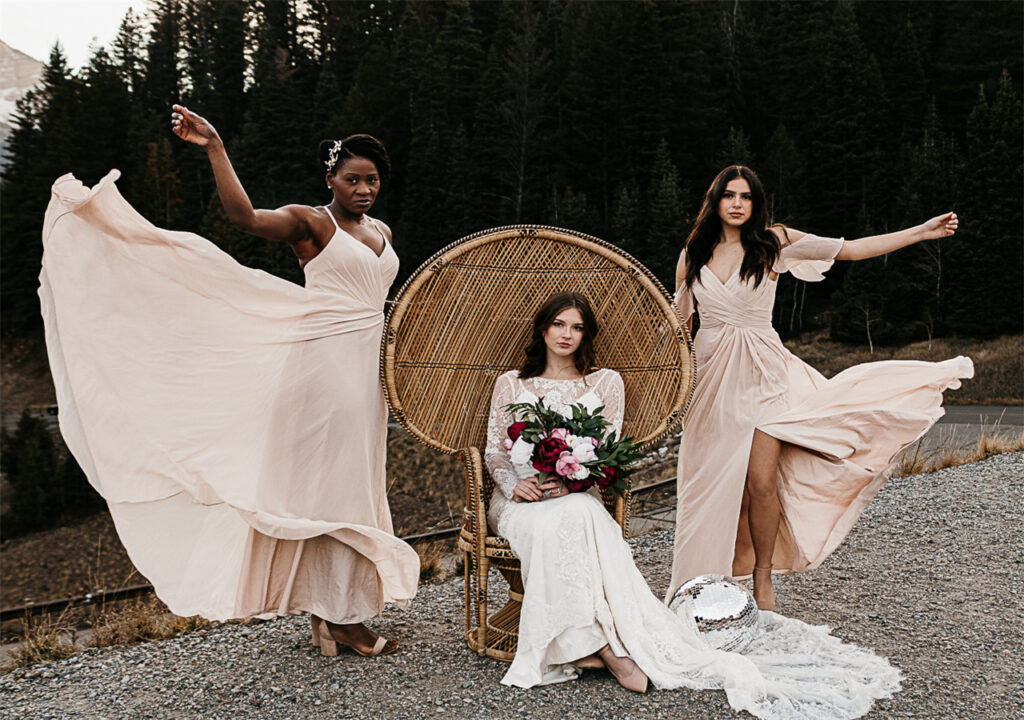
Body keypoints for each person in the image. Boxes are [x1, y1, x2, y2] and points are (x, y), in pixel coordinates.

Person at [36, 105, 419, 658]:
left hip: (366, 373)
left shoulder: (380, 230)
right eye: (352, 178)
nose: (363, 189)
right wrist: (216, 146)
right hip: (322, 371)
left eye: (372, 180)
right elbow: (245, 219)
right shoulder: (312, 223)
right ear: (330, 179)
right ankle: (343, 619)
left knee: (353, 484)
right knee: (332, 490)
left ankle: (330, 608)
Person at [484, 292, 902, 719]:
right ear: (543, 329)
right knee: (563, 523)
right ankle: (607, 647)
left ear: (586, 334)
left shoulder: (605, 383)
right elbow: (493, 452)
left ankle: (588, 643)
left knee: (579, 514)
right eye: (558, 324)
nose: (566, 335)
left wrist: (574, 478)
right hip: (520, 499)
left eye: (576, 327)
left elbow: (604, 453)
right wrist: (514, 484)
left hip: (575, 496)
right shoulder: (512, 383)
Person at [670, 165, 973, 610]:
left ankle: (763, 577)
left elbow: (849, 250)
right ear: (714, 201)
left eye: (746, 196)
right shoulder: (692, 255)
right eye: (729, 195)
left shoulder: (774, 243)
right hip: (711, 379)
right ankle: (697, 584)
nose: (737, 203)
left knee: (760, 482)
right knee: (706, 483)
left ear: (756, 204)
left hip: (763, 375)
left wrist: (919, 232)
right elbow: (677, 329)